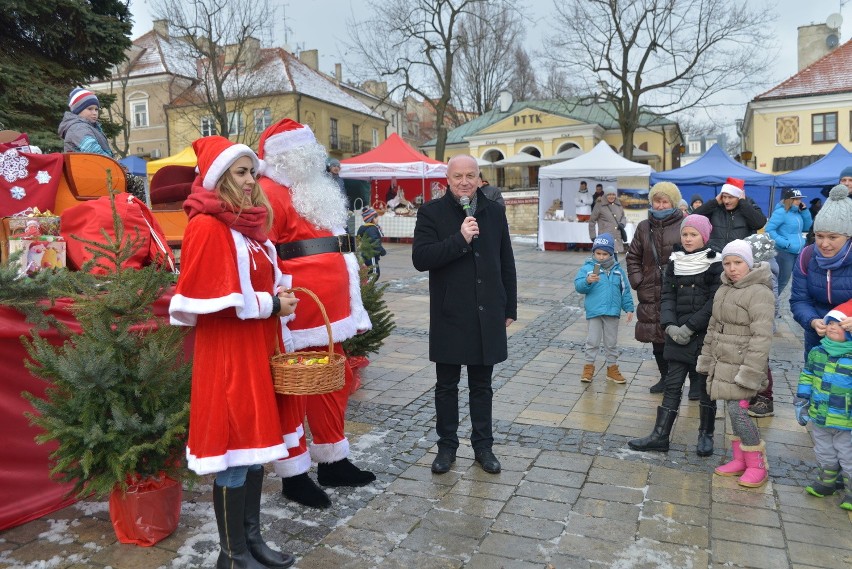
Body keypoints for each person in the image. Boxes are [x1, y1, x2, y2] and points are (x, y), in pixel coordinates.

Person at [168, 135, 297, 569]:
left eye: (252, 172)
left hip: (257, 349)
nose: (249, 180)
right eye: (240, 172)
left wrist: (280, 289)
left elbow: (263, 279)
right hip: (228, 355)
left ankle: (252, 542)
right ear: (220, 176)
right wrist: (271, 304)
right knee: (235, 451)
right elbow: (211, 301)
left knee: (257, 447)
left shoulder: (253, 226)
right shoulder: (206, 225)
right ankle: (232, 553)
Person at [257, 118, 375, 509]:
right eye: (303, 150)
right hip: (299, 312)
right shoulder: (270, 192)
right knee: (295, 391)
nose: (313, 156)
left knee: (333, 384)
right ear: (284, 156)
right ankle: (294, 474)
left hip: (330, 312)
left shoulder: (314, 188)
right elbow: (263, 254)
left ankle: (333, 460)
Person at [412, 154, 517, 476]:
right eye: (458, 176)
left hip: (487, 312)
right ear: (447, 179)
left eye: (470, 175)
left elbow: (506, 261)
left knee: (482, 385)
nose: (464, 182)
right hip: (450, 313)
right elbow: (421, 258)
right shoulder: (431, 212)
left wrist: (509, 306)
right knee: (446, 385)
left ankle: (483, 446)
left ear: (479, 177)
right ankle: (447, 446)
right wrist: (460, 239)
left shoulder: (494, 212)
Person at [628, 215, 722, 455]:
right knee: (672, 385)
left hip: (701, 334)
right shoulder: (675, 261)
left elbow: (714, 301)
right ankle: (660, 436)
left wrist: (691, 326)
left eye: (693, 234)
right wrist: (669, 325)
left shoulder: (715, 262)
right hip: (676, 333)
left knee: (704, 387)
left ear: (704, 236)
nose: (688, 239)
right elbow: (667, 297)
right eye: (685, 234)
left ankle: (706, 435)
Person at [697, 240, 774, 488]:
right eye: (727, 263)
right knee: (729, 411)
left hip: (743, 365)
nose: (732, 268)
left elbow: (762, 337)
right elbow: (712, 327)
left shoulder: (759, 292)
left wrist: (751, 372)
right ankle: (739, 458)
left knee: (738, 412)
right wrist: (707, 359)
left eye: (738, 262)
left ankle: (756, 463)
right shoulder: (723, 289)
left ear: (749, 263)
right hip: (723, 362)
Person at [626, 182, 684, 394]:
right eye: (656, 201)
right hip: (650, 289)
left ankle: (686, 381)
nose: (659, 206)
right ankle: (665, 378)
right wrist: (638, 280)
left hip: (677, 290)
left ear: (673, 202)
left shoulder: (684, 224)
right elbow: (633, 256)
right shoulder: (643, 227)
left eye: (664, 201)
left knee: (677, 337)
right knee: (656, 337)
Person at [795, 300, 852, 510]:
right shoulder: (817, 352)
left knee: (848, 455)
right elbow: (808, 375)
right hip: (820, 415)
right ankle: (826, 482)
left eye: (838, 324)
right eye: (829, 323)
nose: (832, 327)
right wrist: (802, 399)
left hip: (846, 419)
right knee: (824, 450)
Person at [791, 184, 852, 362]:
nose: (824, 244)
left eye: (832, 237)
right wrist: (812, 321)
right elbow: (799, 299)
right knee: (817, 383)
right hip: (818, 337)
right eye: (819, 236)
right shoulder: (807, 255)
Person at [574, 233, 634, 383]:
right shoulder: (590, 268)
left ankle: (612, 368)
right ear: (593, 252)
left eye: (605, 254)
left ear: (611, 253)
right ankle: (588, 367)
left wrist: (629, 308)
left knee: (611, 342)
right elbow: (579, 286)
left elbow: (625, 290)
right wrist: (588, 281)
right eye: (598, 253)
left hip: (612, 312)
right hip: (594, 312)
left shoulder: (618, 270)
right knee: (592, 341)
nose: (601, 257)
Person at [742, 232, 781, 419]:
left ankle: (765, 398)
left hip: (761, 328)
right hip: (751, 326)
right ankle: (753, 393)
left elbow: (773, 303)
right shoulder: (757, 271)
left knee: (762, 363)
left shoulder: (767, 274)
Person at [693, 177, 767, 252]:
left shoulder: (749, 206)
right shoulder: (715, 207)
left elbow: (759, 223)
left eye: (730, 197)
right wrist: (714, 202)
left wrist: (743, 204)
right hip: (716, 255)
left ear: (739, 197)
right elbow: (693, 219)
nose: (726, 201)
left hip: (739, 256)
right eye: (724, 197)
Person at [765, 187, 812, 294]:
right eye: (796, 199)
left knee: (797, 280)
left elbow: (807, 227)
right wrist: (784, 243)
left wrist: (805, 212)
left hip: (798, 251)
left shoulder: (798, 213)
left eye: (800, 199)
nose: (799, 201)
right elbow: (769, 230)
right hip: (785, 252)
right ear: (789, 200)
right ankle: (771, 305)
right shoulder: (781, 212)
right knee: (781, 281)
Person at [58, 88, 113, 157]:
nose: (95, 113)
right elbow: (95, 153)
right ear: (78, 110)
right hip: (89, 166)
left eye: (96, 109)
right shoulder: (77, 128)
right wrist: (116, 166)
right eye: (90, 109)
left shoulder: (89, 127)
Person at [588, 186, 628, 254]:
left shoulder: (618, 204)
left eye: (613, 194)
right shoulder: (599, 205)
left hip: (616, 236)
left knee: (614, 258)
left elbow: (623, 217)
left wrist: (622, 224)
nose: (611, 196)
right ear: (605, 195)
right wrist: (593, 236)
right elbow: (592, 221)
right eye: (609, 194)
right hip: (605, 238)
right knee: (605, 258)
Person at [356, 206, 386, 280]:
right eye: (376, 217)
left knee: (370, 272)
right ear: (372, 219)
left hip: (365, 253)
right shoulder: (372, 229)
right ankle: (368, 287)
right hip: (370, 254)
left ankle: (367, 287)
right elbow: (374, 241)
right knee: (374, 273)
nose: (378, 219)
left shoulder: (364, 228)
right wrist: (382, 251)